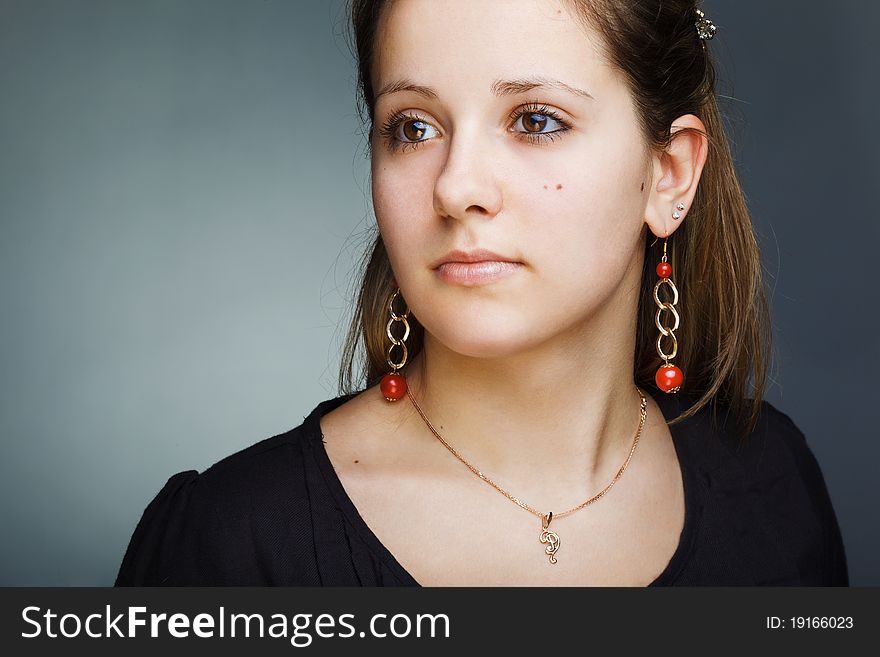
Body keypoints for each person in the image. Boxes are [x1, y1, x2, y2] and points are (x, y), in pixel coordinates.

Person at [115, 0, 849, 586]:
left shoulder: (773, 482)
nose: (456, 185)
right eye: (413, 126)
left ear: (669, 176)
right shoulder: (231, 547)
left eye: (535, 120)